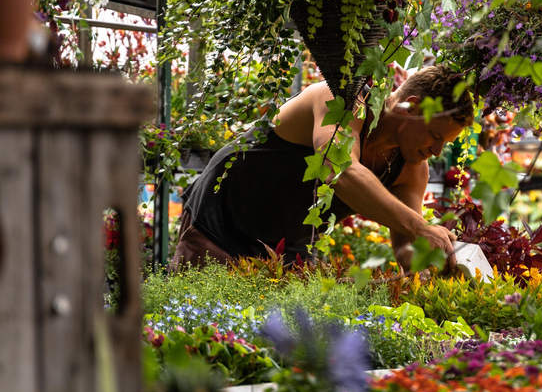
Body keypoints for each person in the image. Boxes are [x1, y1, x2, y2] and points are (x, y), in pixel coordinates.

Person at [172, 65, 475, 272]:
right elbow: (339, 170)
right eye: (435, 136)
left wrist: (439, 258)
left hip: (285, 249)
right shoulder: (341, 101)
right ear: (413, 107)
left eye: (444, 143)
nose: (437, 151)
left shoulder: (411, 168)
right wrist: (421, 228)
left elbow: (405, 250)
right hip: (222, 221)